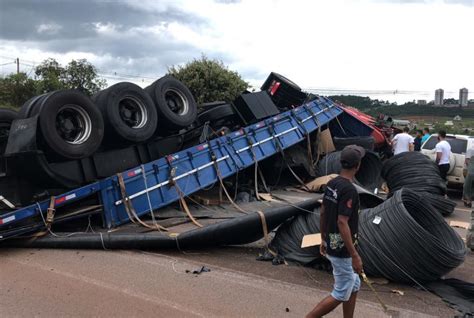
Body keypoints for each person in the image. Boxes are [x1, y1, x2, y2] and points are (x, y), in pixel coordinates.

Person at [306, 145, 363, 318]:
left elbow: (323, 211)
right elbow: (342, 222)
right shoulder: (349, 190)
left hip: (332, 242)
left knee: (354, 285)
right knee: (340, 291)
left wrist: (323, 238)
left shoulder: (332, 183)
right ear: (357, 166)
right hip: (342, 249)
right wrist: (354, 255)